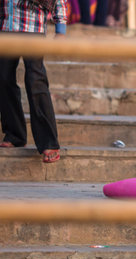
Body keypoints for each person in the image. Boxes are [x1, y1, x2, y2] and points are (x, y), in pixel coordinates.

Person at [0, 0, 66, 163]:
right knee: (2, 79)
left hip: (32, 27)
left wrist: (60, 30)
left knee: (35, 80)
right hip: (5, 27)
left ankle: (48, 142)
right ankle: (15, 135)